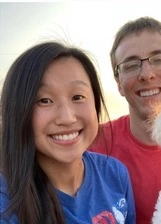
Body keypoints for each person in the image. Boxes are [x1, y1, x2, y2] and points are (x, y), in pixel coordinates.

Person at [0, 41, 136, 224]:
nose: (67, 117)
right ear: (17, 111)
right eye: (44, 100)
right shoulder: (7, 202)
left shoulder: (115, 173)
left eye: (78, 97)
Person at [90, 16, 161, 223]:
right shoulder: (90, 146)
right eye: (131, 65)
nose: (146, 74)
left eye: (159, 59)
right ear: (118, 83)